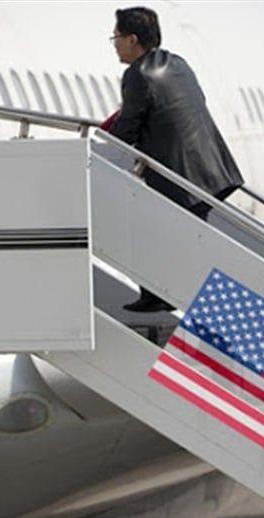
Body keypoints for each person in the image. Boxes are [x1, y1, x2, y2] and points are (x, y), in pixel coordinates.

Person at [109, 7, 243, 312]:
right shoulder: (178, 63)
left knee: (146, 229)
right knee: (183, 239)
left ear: (132, 39)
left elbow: (127, 128)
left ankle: (160, 295)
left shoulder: (138, 74)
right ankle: (169, 294)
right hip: (211, 169)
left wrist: (100, 144)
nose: (115, 44)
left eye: (116, 37)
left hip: (179, 174)